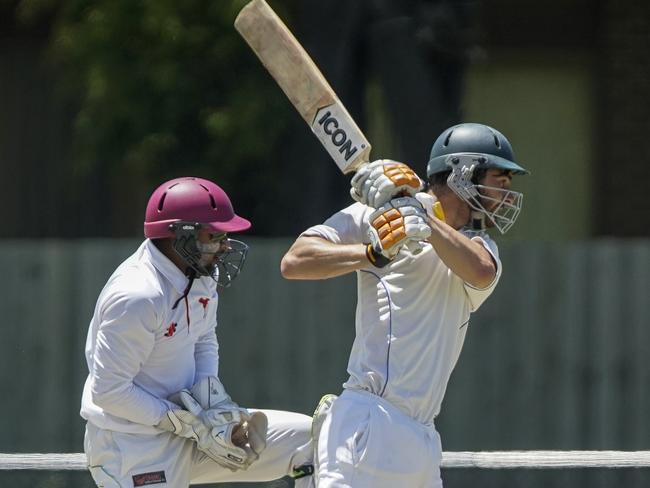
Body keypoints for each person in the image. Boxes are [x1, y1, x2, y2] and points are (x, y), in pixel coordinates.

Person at [281, 123, 529, 487]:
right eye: (500, 181)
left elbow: (478, 272)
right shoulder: (373, 217)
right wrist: (371, 252)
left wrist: (419, 215)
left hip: (423, 435)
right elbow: (296, 261)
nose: (506, 195)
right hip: (368, 420)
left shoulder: (480, 247)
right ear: (463, 174)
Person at [81, 176, 314, 487]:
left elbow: (203, 340)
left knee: (314, 440)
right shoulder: (138, 295)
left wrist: (211, 406)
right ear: (181, 236)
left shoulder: (200, 276)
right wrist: (181, 421)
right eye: (215, 235)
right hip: (133, 445)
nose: (225, 245)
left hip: (192, 430)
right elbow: (109, 392)